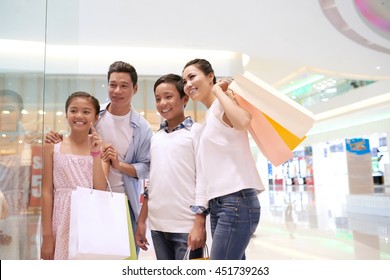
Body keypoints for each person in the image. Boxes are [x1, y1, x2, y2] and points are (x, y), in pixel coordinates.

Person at [45, 61, 153, 256]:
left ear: (135, 89)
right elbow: (76, 136)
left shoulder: (142, 127)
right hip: (82, 197)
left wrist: (119, 165)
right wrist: (58, 139)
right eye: (112, 84)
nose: (117, 90)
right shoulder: (94, 113)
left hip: (120, 201)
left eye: (124, 85)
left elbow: (146, 168)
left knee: (119, 259)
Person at [182, 58, 265, 260]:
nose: (188, 85)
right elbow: (204, 172)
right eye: (184, 81)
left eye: (192, 77)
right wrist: (199, 214)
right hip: (220, 204)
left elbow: (244, 121)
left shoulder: (222, 104)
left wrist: (219, 91)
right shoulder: (207, 120)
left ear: (210, 77)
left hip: (236, 200)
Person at [135, 74, 204, 260]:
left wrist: (199, 222)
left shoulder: (196, 132)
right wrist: (142, 221)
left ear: (184, 99)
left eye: (168, 96)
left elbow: (205, 181)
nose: (162, 103)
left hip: (186, 227)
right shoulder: (156, 138)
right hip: (158, 226)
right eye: (158, 99)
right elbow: (153, 182)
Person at [40, 91, 109, 260]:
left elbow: (100, 188)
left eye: (86, 111)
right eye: (73, 110)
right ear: (66, 114)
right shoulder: (53, 146)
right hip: (60, 220)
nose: (79, 116)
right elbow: (47, 192)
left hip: (89, 220)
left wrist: (95, 152)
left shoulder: (103, 148)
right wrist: (47, 236)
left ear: (96, 117)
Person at [0, 89, 31, 259]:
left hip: (22, 213)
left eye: (10, 109)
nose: (4, 114)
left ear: (20, 114)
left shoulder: (30, 142)